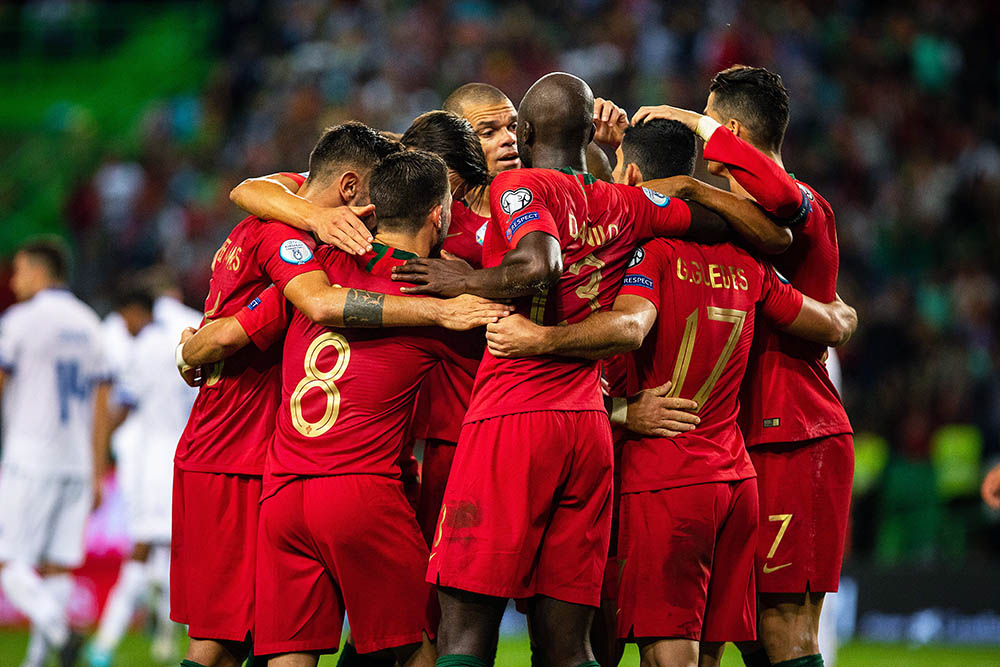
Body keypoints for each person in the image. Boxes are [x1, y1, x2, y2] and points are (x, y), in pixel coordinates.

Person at [390, 72, 774, 667]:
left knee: (463, 628)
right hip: (589, 425)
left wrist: (463, 280)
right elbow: (718, 224)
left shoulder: (517, 187)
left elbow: (538, 261)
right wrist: (692, 191)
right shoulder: (624, 202)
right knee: (569, 645)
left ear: (524, 131)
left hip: (513, 414)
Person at [172, 123, 507, 667]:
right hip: (353, 491)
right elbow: (510, 379)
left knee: (282, 652)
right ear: (437, 214)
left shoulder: (312, 263)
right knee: (416, 646)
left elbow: (249, 206)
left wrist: (189, 351)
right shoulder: (440, 305)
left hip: (282, 489)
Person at [482, 229, 856, 667]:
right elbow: (831, 325)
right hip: (732, 477)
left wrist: (610, 402)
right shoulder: (747, 264)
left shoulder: (645, 259)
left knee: (621, 649)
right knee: (710, 655)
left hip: (660, 477)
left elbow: (628, 330)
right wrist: (845, 316)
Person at [633, 65, 854, 667]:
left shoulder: (805, 205)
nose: (706, 156)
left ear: (728, 130)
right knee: (744, 633)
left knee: (784, 629)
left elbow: (780, 194)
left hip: (793, 434)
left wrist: (694, 127)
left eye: (712, 134)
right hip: (735, 445)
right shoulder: (733, 227)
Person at [0, 238, 110, 667]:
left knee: (11, 562)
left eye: (18, 271)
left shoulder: (21, 320)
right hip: (76, 461)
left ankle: (62, 630)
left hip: (29, 456)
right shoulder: (90, 323)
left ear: (35, 269)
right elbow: (103, 404)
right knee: (58, 567)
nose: (13, 280)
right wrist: (98, 469)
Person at [87, 286, 201, 667]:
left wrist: (99, 448)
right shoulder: (183, 342)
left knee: (142, 551)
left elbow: (125, 404)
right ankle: (168, 637)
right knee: (170, 554)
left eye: (125, 318)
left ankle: (104, 644)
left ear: (136, 312)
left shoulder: (148, 348)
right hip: (182, 452)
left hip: (153, 462)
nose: (124, 326)